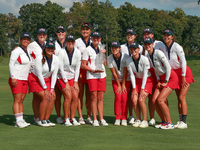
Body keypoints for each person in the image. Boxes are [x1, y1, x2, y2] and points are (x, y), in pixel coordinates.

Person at [144, 37, 179, 129]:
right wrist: (159, 80)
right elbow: (156, 69)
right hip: (162, 79)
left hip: (171, 77)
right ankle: (164, 121)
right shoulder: (147, 55)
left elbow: (168, 67)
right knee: (153, 100)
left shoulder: (158, 53)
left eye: (149, 44)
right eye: (146, 44)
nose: (147, 46)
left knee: (160, 100)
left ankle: (170, 123)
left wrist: (166, 81)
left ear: (152, 44)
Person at [163, 29, 194, 129]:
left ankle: (184, 122)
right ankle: (180, 121)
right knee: (178, 98)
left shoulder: (176, 46)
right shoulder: (165, 48)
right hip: (175, 75)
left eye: (169, 35)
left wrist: (183, 76)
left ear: (172, 37)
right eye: (165, 35)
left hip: (184, 73)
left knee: (181, 97)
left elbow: (183, 61)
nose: (166, 37)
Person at [28, 41, 59, 127]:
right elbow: (39, 74)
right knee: (45, 96)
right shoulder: (39, 58)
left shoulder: (56, 59)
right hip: (35, 79)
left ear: (54, 50)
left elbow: (54, 74)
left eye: (52, 48)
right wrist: (45, 88)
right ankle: (40, 120)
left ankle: (46, 119)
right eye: (48, 48)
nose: (50, 50)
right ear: (45, 49)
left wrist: (52, 89)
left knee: (53, 96)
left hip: (47, 80)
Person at [81, 31, 108, 127]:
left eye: (98, 38)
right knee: (94, 97)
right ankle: (95, 119)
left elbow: (105, 63)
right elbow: (83, 65)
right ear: (91, 39)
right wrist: (92, 70)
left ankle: (101, 119)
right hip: (92, 75)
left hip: (102, 75)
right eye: (94, 38)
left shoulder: (102, 48)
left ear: (100, 39)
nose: (96, 39)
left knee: (101, 98)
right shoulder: (87, 50)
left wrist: (104, 54)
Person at [142, 28, 166, 126]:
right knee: (151, 97)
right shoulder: (144, 45)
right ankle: (152, 118)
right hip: (150, 73)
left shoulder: (160, 44)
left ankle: (165, 119)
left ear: (153, 35)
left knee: (162, 97)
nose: (147, 35)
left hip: (160, 72)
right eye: (145, 34)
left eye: (149, 34)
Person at [126, 42, 153, 128]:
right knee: (134, 99)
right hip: (137, 81)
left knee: (141, 100)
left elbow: (145, 74)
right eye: (131, 49)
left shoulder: (144, 59)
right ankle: (138, 119)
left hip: (147, 81)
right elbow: (132, 75)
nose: (133, 51)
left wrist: (142, 88)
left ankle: (144, 120)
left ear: (138, 49)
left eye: (134, 49)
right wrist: (134, 88)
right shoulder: (129, 61)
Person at [57, 35, 81, 126]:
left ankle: (72, 118)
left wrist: (75, 82)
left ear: (74, 43)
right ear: (66, 43)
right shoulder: (61, 52)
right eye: (68, 41)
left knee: (75, 96)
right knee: (68, 96)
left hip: (72, 77)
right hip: (61, 77)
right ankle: (66, 119)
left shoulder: (78, 52)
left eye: (72, 41)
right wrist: (66, 82)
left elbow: (77, 68)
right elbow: (61, 68)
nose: (70, 43)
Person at [8, 32, 32, 128]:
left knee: (21, 100)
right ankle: (17, 121)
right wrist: (13, 77)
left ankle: (21, 119)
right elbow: (11, 64)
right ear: (20, 40)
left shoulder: (27, 51)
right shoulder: (16, 51)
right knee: (17, 100)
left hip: (24, 79)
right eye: (24, 39)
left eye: (27, 39)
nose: (26, 41)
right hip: (17, 78)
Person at [121, 28, 143, 124]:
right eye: (128, 34)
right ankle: (130, 115)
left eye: (131, 34)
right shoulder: (121, 47)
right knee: (129, 96)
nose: (129, 36)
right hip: (126, 75)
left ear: (135, 36)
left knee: (137, 97)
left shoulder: (140, 47)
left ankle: (140, 116)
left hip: (137, 75)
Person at [107, 41, 131, 126]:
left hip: (126, 80)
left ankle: (124, 118)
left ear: (119, 48)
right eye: (113, 48)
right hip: (115, 80)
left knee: (124, 98)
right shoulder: (109, 58)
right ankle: (117, 118)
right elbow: (114, 73)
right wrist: (118, 85)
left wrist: (123, 85)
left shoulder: (125, 56)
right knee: (118, 97)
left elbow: (125, 72)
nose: (114, 49)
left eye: (116, 48)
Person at [27, 28, 47, 124]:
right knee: (37, 96)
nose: (41, 36)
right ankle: (37, 117)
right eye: (40, 34)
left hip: (44, 74)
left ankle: (41, 116)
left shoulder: (47, 45)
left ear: (46, 36)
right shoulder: (31, 45)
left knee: (39, 97)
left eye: (43, 34)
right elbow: (24, 51)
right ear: (37, 35)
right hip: (34, 74)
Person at [75, 23, 92, 125]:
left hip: (90, 71)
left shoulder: (95, 41)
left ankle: (89, 116)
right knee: (79, 95)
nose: (85, 31)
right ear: (81, 30)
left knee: (89, 95)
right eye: (83, 29)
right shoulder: (77, 42)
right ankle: (80, 116)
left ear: (90, 31)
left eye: (87, 29)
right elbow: (76, 58)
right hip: (81, 70)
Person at [54, 26, 67, 124]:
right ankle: (58, 116)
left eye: (62, 32)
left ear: (65, 33)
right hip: (55, 74)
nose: (60, 33)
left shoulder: (70, 43)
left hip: (67, 74)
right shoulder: (53, 44)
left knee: (68, 96)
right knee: (57, 97)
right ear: (56, 33)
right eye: (59, 32)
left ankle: (68, 116)